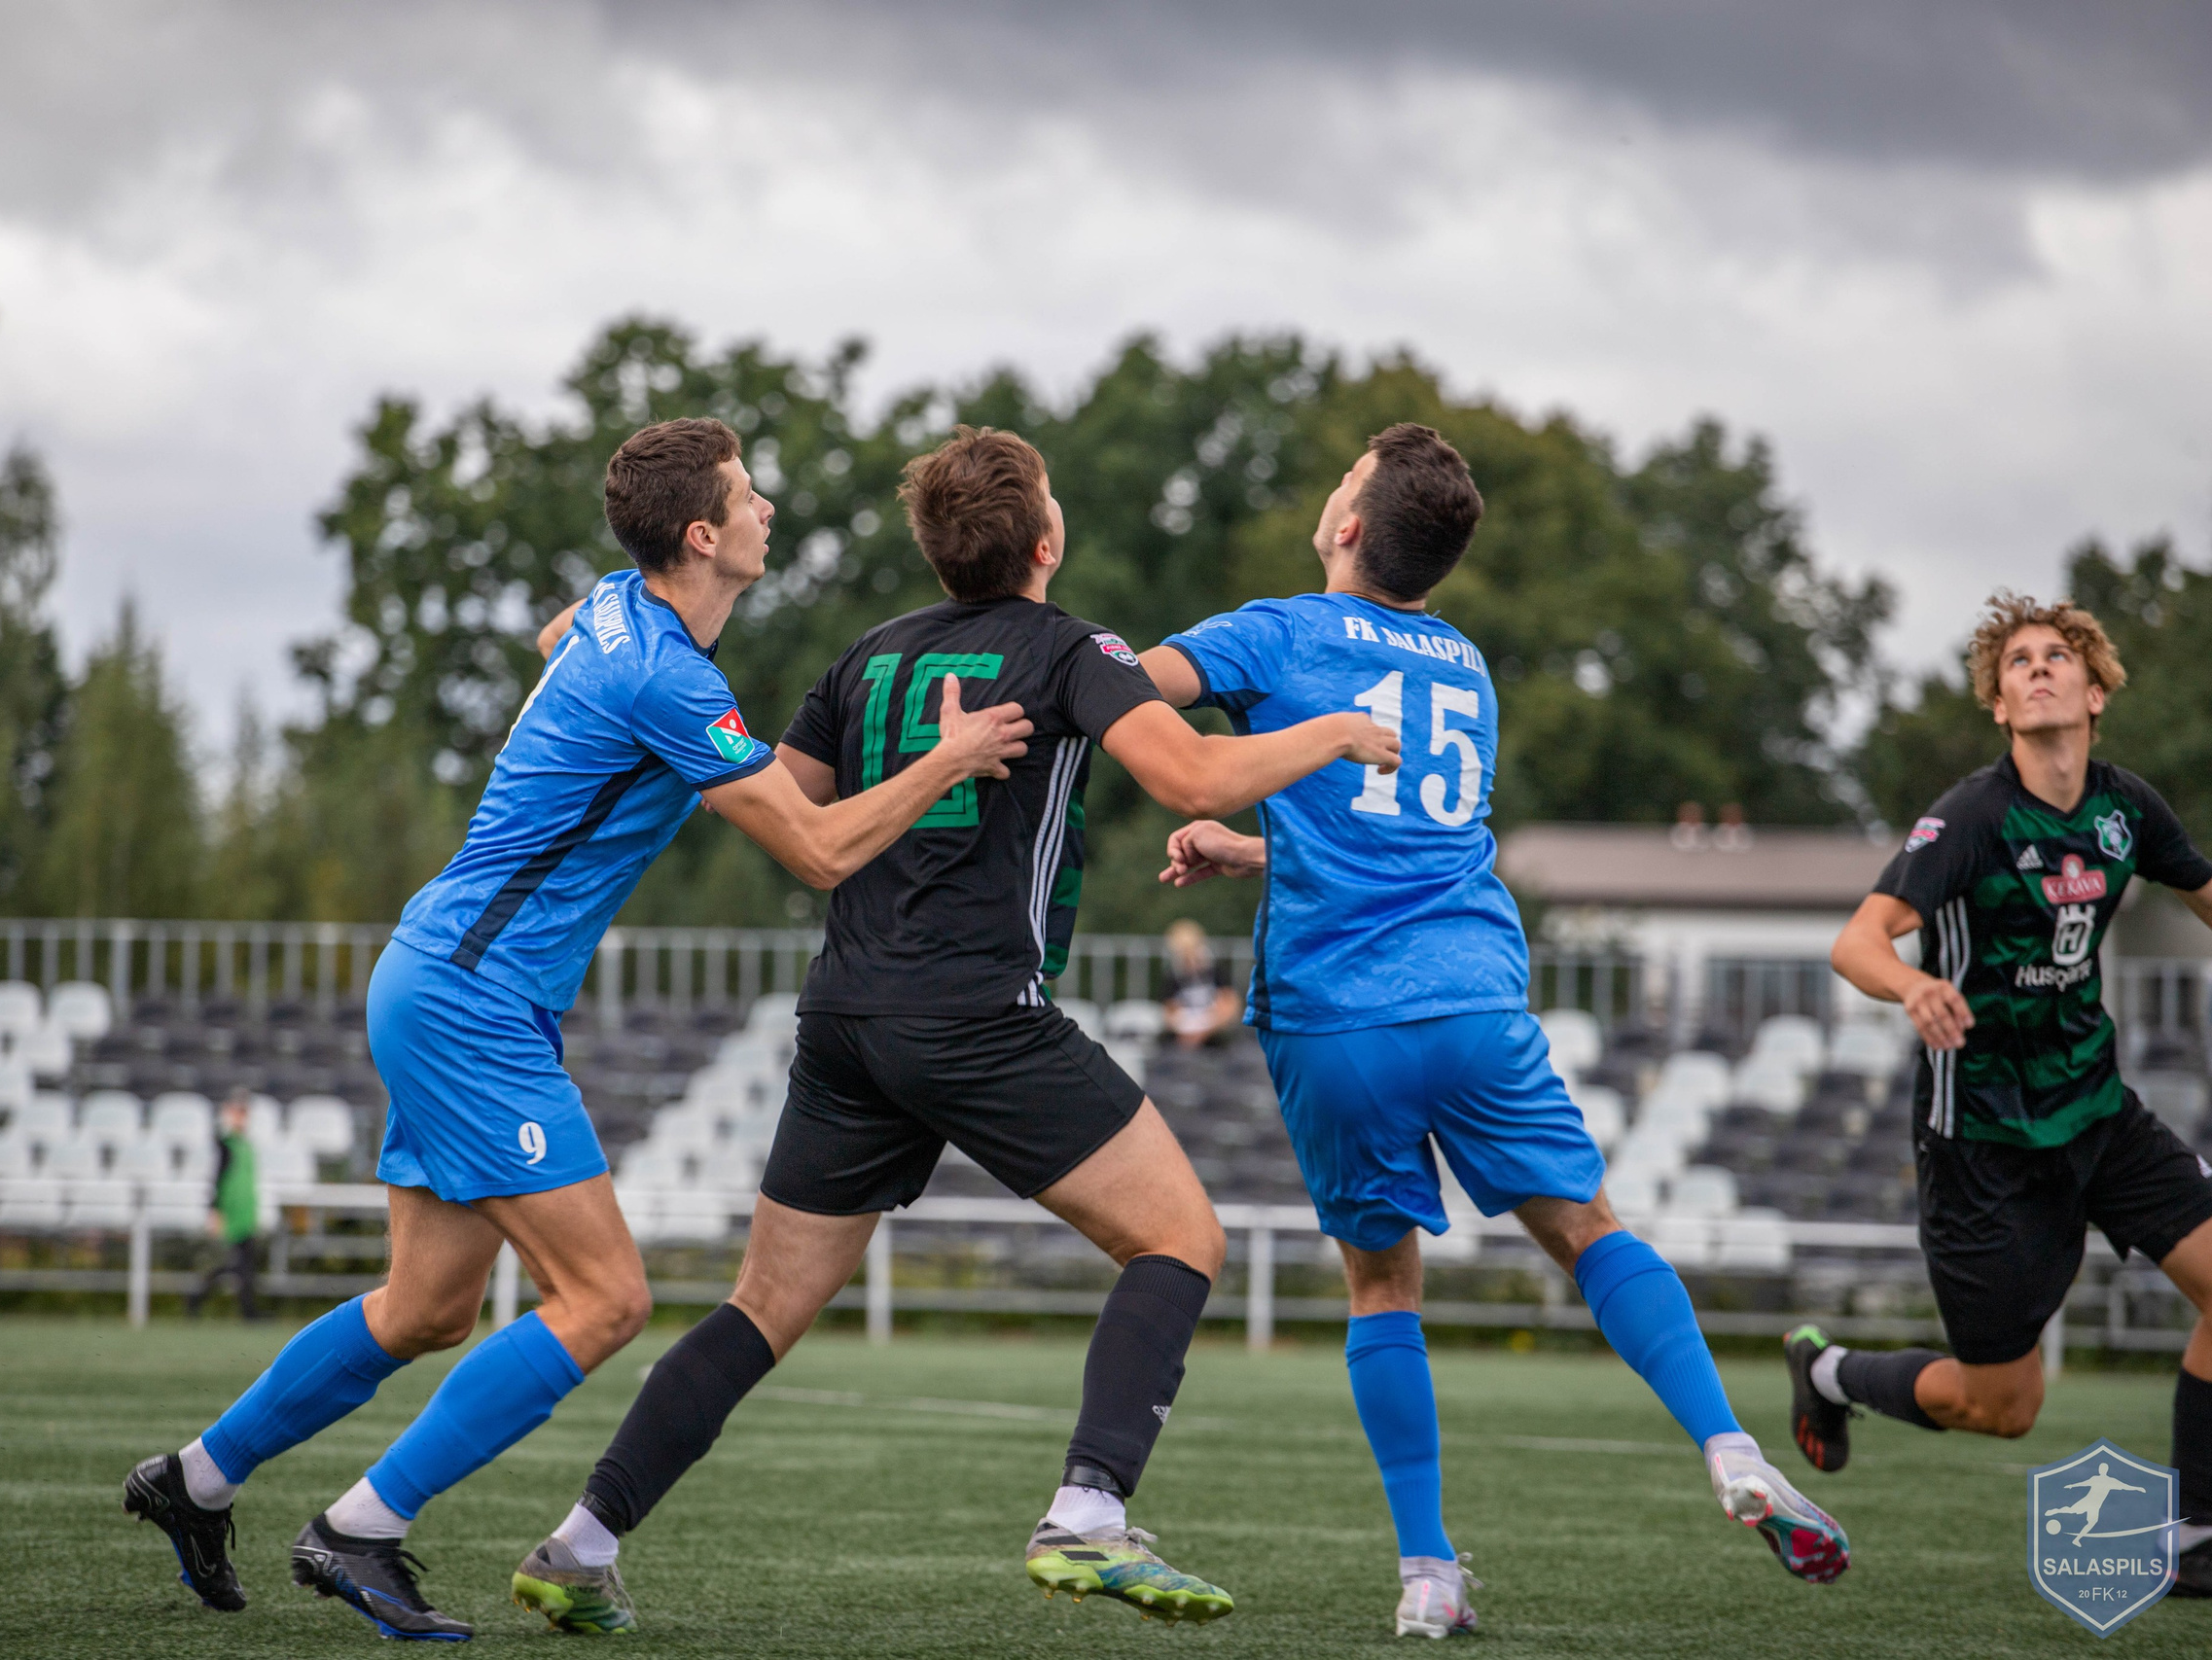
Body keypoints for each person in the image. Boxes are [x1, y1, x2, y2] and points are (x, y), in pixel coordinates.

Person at [120, 416, 1033, 1640]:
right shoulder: (661, 670)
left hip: (443, 973)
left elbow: (568, 642)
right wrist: (951, 752)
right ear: (702, 536)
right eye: (749, 495)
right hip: (472, 999)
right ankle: (360, 1528)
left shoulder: (619, 613)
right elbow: (815, 850)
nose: (768, 509)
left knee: (427, 1306)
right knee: (602, 1299)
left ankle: (193, 1482)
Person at [505, 425, 1403, 1635]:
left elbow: (786, 799)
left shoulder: (866, 657)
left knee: (759, 1311)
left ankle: (580, 1541)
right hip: (980, 1016)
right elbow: (1191, 780)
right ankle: (1089, 1516)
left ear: (935, 552)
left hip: (846, 1021)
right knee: (1180, 1240)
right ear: (1044, 540)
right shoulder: (1067, 647)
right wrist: (1336, 733)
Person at [1142, 423, 1851, 1638]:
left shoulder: (1281, 629)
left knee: (1380, 1284)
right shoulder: (1463, 663)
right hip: (1472, 993)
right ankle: (1730, 1447)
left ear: (1350, 526)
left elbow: (1133, 694)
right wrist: (1259, 850)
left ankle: (1427, 1574)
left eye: (1340, 480)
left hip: (1336, 1017)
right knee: (1585, 1229)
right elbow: (1402, 847)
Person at [1794, 592, 2212, 1598]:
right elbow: (1856, 941)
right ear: (1996, 704)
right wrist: (1914, 984)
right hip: (1980, 1137)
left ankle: (2194, 1535)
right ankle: (1827, 1373)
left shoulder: (2124, 810)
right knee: (2002, 1406)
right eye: (2015, 661)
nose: (2035, 668)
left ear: (2095, 688)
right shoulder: (1973, 817)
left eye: (2056, 656)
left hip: (2097, 1112)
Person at [185, 1091, 262, 1321]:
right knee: (237, 1266)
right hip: (233, 1214)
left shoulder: (244, 1145)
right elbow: (217, 1179)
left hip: (245, 1213)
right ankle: (200, 1299)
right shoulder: (225, 1145)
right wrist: (215, 1211)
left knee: (242, 1266)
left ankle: (245, 1310)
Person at [1157, 919, 1241, 1047]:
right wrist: (1183, 1029)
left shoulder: (1216, 971)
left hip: (1214, 1033)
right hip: (1184, 1033)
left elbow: (1229, 1005)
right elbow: (1169, 1011)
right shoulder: (1173, 976)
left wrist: (1206, 1030)